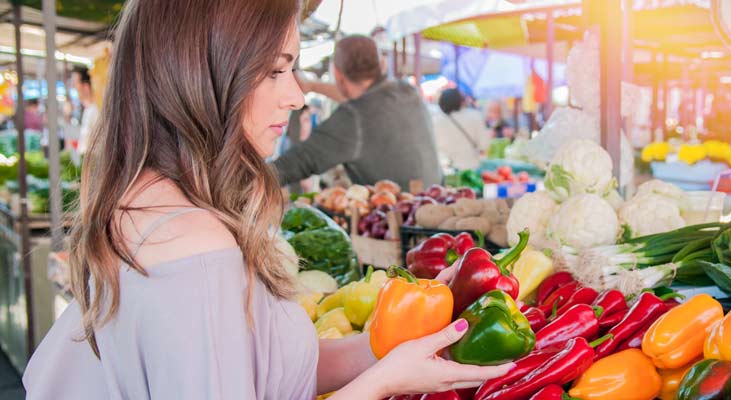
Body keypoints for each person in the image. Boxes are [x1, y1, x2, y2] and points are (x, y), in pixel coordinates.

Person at [22, 1, 511, 399]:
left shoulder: (153, 202)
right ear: (206, 75)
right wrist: (382, 385)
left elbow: (269, 372)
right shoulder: (193, 250)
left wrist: (400, 339)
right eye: (277, 71)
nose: (297, 96)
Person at [273, 35, 442, 191]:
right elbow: (361, 99)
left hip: (396, 219)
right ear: (382, 64)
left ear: (337, 74)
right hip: (440, 206)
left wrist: (249, 182)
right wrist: (311, 86)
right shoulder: (407, 91)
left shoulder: (353, 118)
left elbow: (296, 163)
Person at [432, 88, 490, 170]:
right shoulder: (475, 116)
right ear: (461, 101)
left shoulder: (437, 121)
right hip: (472, 167)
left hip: (448, 169)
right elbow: (484, 145)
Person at [72, 66, 98, 154]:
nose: (74, 87)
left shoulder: (96, 111)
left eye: (75, 83)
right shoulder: (88, 110)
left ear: (86, 86)